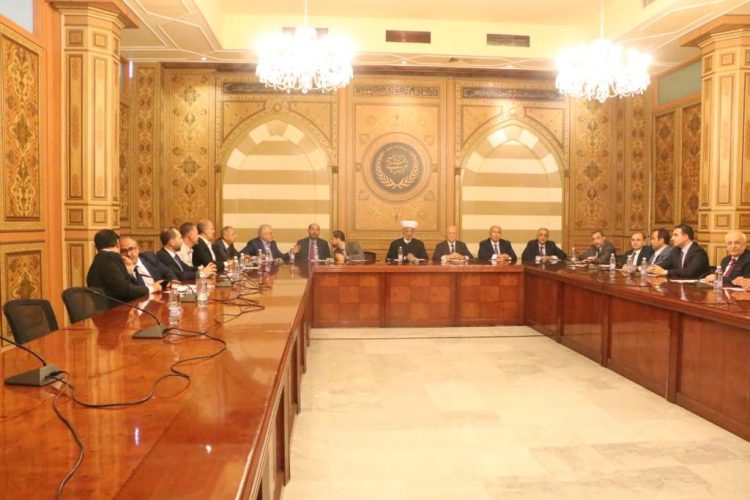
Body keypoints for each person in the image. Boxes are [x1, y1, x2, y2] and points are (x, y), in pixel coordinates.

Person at [86, 229, 159, 301]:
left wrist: (128, 272)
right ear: (117, 243)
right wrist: (152, 288)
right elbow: (124, 290)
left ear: (96, 246)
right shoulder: (112, 257)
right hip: (116, 307)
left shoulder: (98, 258)